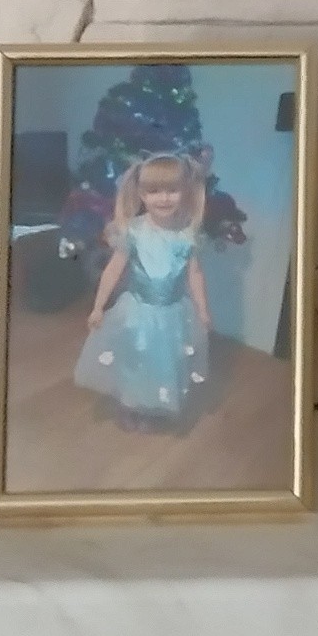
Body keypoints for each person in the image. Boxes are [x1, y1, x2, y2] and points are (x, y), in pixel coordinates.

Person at [76, 153, 216, 429]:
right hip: (136, 312)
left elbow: (195, 274)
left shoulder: (187, 234)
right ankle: (130, 404)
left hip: (173, 315)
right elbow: (113, 270)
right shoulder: (134, 231)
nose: (163, 198)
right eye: (154, 191)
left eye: (172, 190)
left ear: (185, 192)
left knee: (163, 363)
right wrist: (98, 306)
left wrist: (202, 309)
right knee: (134, 360)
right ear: (141, 194)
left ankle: (153, 405)